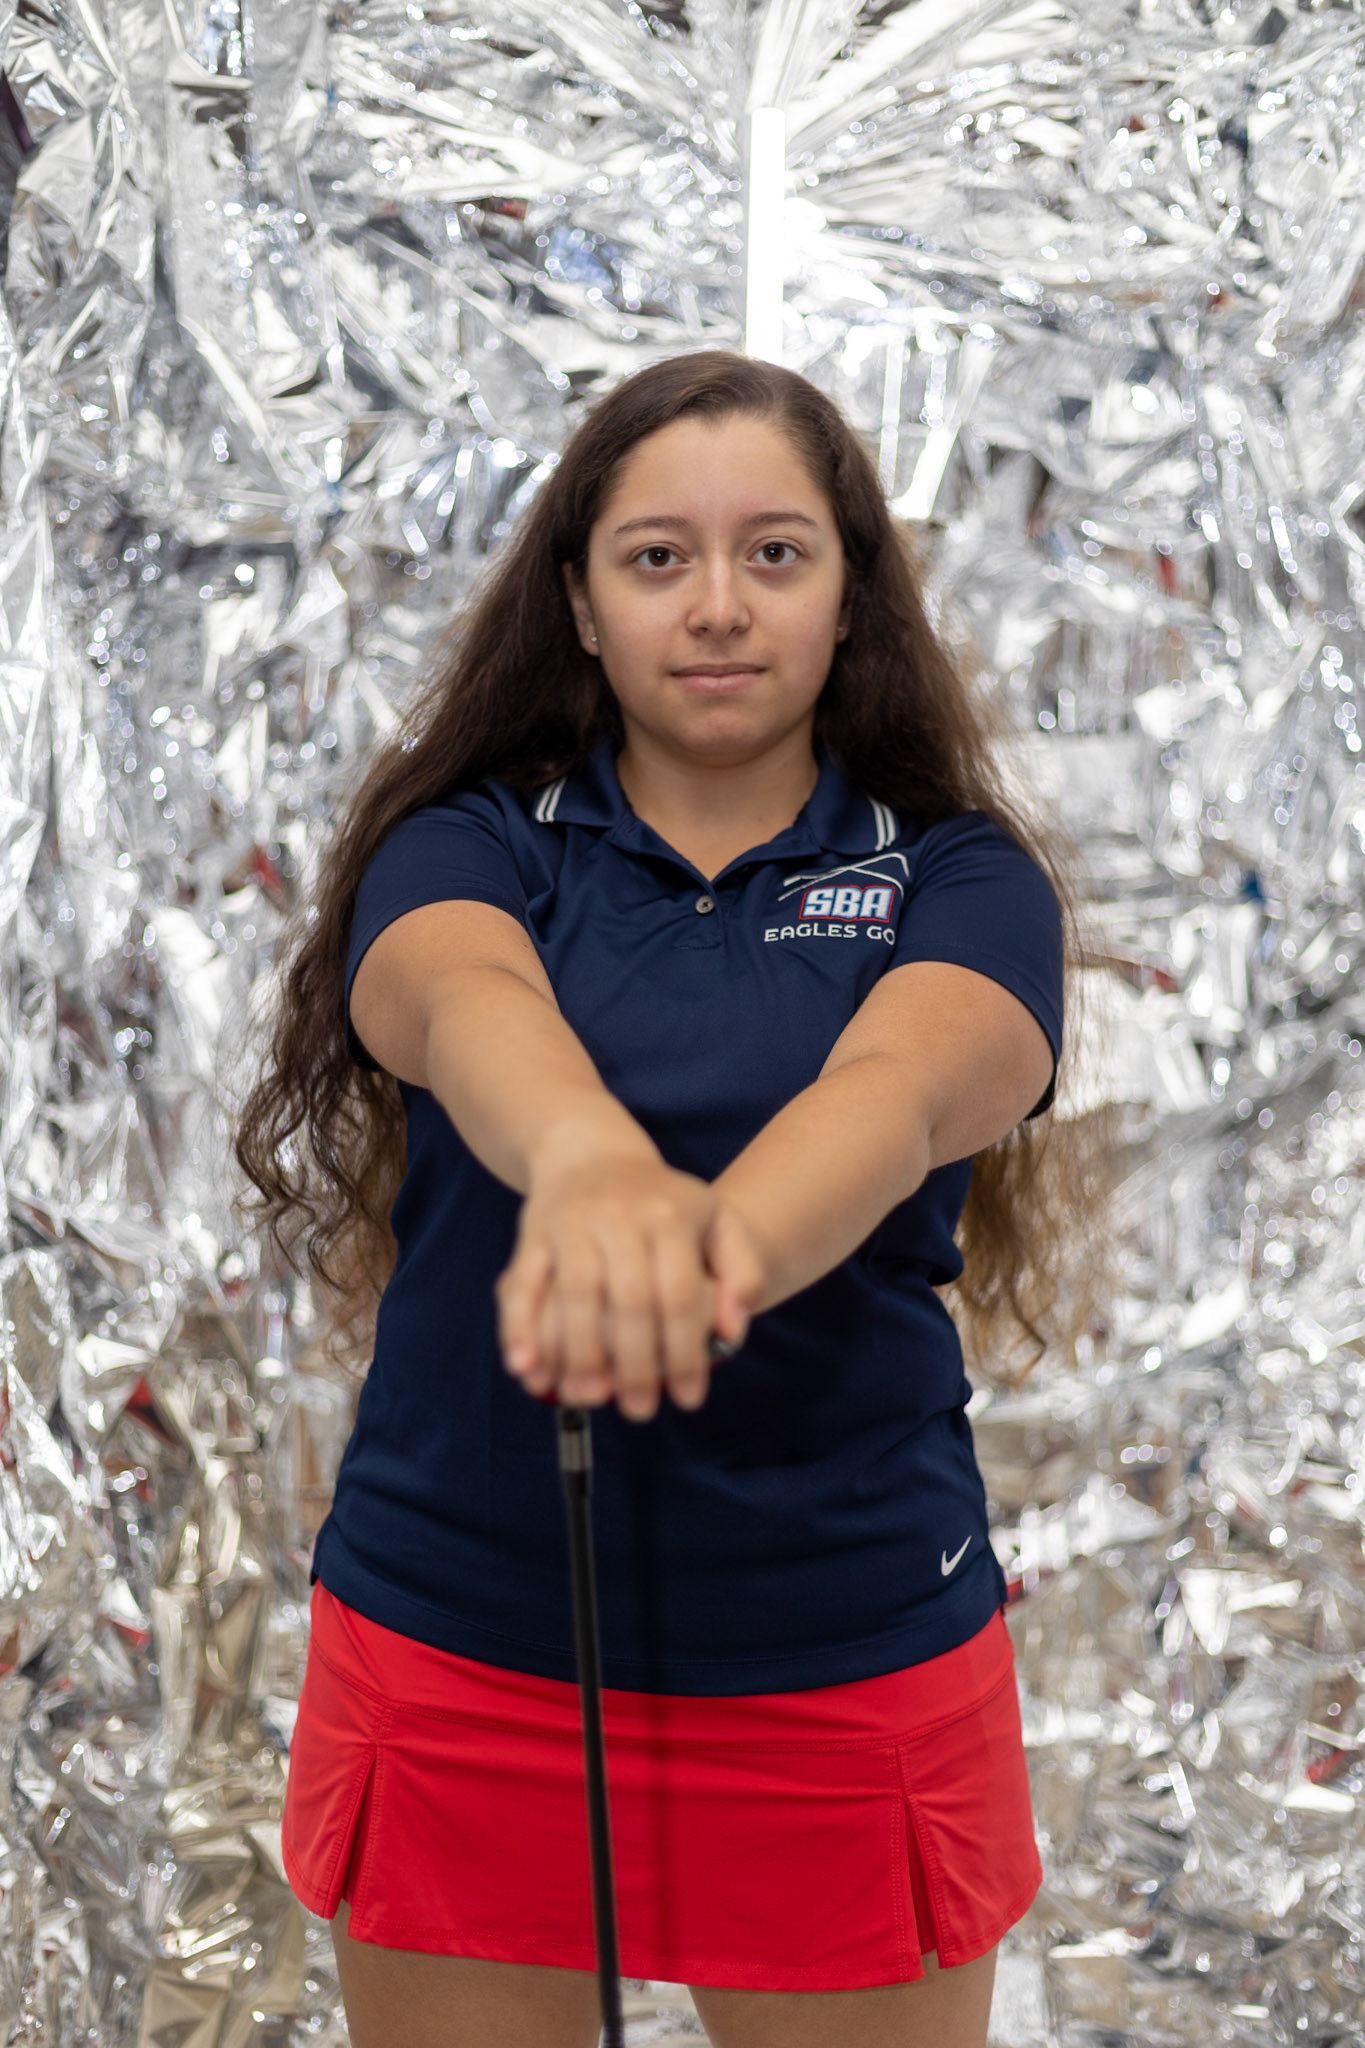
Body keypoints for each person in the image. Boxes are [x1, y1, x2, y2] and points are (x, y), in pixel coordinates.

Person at [235, 349, 1086, 2048]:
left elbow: (896, 1087)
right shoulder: (467, 841)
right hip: (467, 1652)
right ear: (579, 600)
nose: (715, 605)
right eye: (656, 557)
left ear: (851, 594)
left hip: (841, 1664)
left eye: (774, 552)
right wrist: (591, 1166)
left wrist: (705, 1254)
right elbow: (464, 1006)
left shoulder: (958, 876)